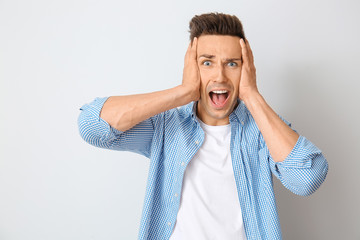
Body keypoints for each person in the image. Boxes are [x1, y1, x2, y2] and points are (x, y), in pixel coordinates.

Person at [78, 12, 328, 240]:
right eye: (207, 62)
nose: (220, 75)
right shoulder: (165, 128)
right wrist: (183, 92)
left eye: (232, 63)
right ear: (192, 67)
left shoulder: (263, 131)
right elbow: (92, 126)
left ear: (246, 69)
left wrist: (252, 95)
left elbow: (307, 178)